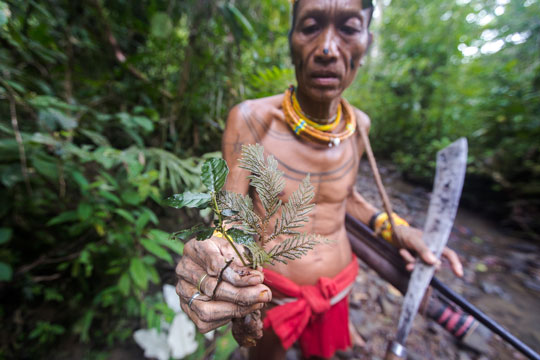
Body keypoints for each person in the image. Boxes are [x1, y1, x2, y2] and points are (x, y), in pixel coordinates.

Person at [175, 0, 463, 359]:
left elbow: (347, 198)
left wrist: (397, 229)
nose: (327, 48)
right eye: (311, 27)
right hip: (272, 294)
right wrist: (212, 261)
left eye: (348, 28)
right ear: (292, 41)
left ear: (367, 42)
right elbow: (230, 217)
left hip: (337, 289)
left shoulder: (359, 125)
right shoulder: (252, 119)